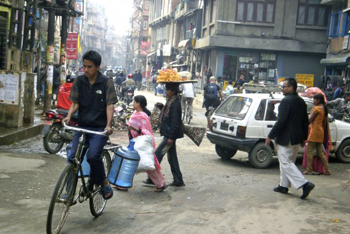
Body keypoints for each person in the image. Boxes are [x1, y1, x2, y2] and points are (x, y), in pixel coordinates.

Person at [63, 50, 117, 200]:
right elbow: (75, 103)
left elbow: (110, 106)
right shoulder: (79, 81)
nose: (86, 70)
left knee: (93, 157)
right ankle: (68, 191)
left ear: (98, 67)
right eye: (84, 66)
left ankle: (104, 182)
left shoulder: (107, 82)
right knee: (72, 158)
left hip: (99, 129)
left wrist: (108, 125)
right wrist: (68, 116)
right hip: (81, 126)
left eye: (90, 67)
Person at [265, 78, 315, 200]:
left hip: (286, 137)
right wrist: (304, 137)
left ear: (291, 88)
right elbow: (305, 121)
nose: (282, 88)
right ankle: (284, 186)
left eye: (284, 86)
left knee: (285, 162)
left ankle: (304, 183)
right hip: (297, 138)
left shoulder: (286, 101)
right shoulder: (301, 101)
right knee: (288, 162)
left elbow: (281, 121)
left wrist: (270, 135)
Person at [144, 83, 185, 187]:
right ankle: (178, 180)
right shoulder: (171, 101)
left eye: (167, 90)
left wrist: (171, 137)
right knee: (172, 158)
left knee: (157, 155)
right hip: (168, 133)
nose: (166, 92)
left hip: (169, 135)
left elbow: (175, 122)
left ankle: (153, 178)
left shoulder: (175, 103)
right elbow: (167, 114)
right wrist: (161, 107)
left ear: (173, 91)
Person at [126, 95, 167, 192]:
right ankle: (123, 184)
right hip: (134, 141)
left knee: (148, 164)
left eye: (134, 101)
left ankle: (161, 184)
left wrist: (133, 128)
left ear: (139, 103)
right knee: (131, 162)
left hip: (142, 143)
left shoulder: (143, 115)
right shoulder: (136, 113)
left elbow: (146, 131)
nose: (133, 103)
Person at [303, 94, 332, 175]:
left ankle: (309, 169)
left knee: (309, 150)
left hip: (314, 131)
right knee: (320, 152)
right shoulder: (323, 108)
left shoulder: (316, 109)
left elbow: (310, 120)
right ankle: (327, 170)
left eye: (314, 99)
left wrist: (308, 115)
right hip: (320, 131)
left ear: (318, 100)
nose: (313, 101)